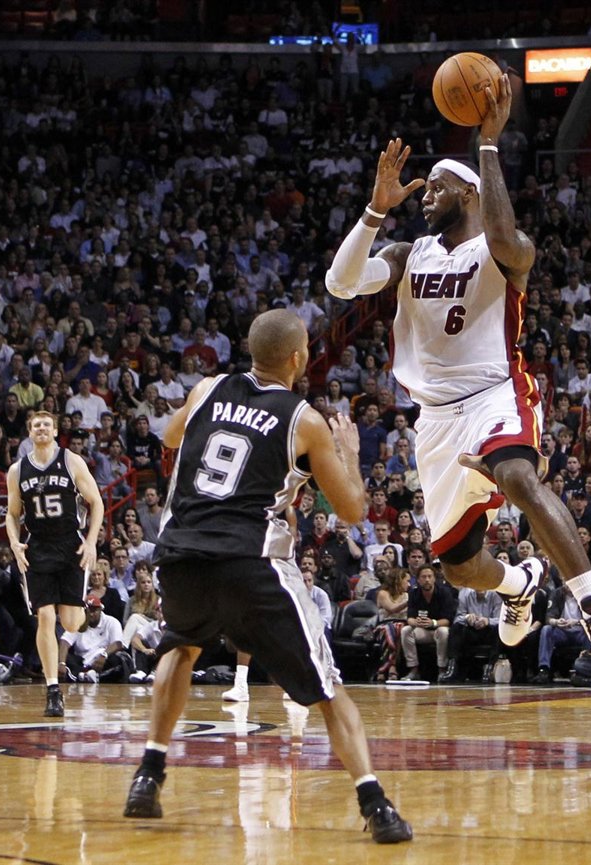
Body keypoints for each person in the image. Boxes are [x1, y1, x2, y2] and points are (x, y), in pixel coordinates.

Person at [325, 78, 591, 669]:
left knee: (517, 475)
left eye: (436, 187)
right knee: (459, 565)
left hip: (496, 392)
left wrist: (488, 145)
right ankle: (519, 584)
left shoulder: (505, 250)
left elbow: (502, 234)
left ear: (469, 193)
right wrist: (374, 211)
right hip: (435, 419)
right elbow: (340, 284)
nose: (424, 197)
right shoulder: (408, 254)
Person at [122, 310, 412, 844]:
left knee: (180, 648)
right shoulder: (304, 419)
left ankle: (148, 775)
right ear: (298, 358)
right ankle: (375, 804)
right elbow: (352, 510)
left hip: (182, 554)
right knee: (326, 688)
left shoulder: (208, 388)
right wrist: (348, 454)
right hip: (251, 561)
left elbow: (170, 436)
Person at [5, 410, 105, 718]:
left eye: (46, 424)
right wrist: (14, 542)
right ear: (29, 432)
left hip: (70, 544)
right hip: (37, 547)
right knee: (45, 617)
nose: (41, 429)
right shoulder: (17, 470)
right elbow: (12, 513)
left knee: (71, 622)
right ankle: (52, 690)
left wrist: (91, 541)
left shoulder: (71, 460)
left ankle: (78, 610)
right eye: (36, 425)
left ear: (55, 430)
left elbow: (97, 502)